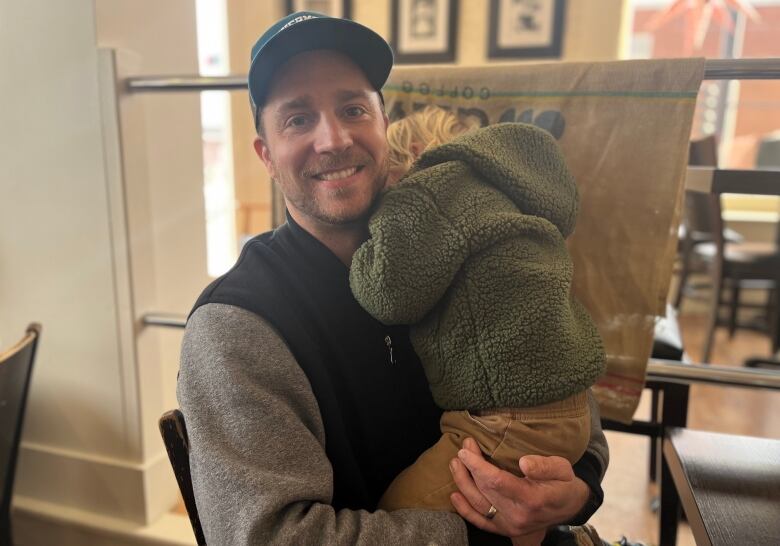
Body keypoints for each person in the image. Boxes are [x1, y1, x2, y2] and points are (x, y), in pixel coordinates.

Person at [177, 11, 609, 545]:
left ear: (385, 126)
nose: (333, 139)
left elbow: (559, 389)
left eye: (353, 108)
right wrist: (481, 537)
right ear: (266, 155)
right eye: (297, 119)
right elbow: (271, 537)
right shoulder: (237, 327)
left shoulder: (461, 243)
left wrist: (578, 490)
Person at [351, 106, 606, 546]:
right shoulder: (506, 189)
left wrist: (366, 246)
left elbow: (387, 293)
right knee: (517, 523)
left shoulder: (428, 191)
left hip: (507, 419)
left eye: (386, 184)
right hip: (569, 413)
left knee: (398, 512)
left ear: (413, 154)